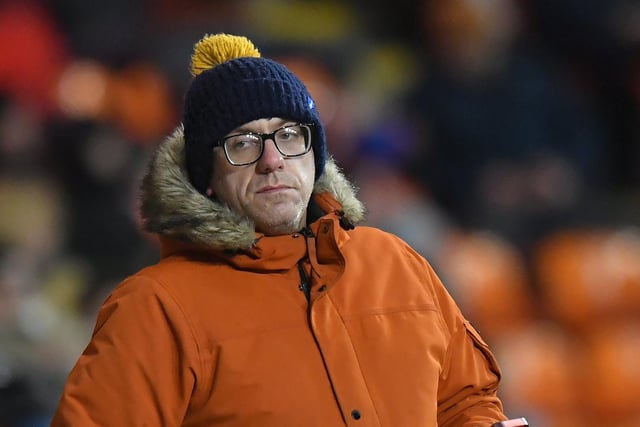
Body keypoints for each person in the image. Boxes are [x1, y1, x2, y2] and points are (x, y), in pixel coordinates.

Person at [51, 33, 511, 426]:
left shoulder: (394, 261)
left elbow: (465, 401)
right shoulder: (155, 309)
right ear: (206, 177)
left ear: (315, 154)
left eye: (290, 135)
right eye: (242, 144)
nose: (273, 161)